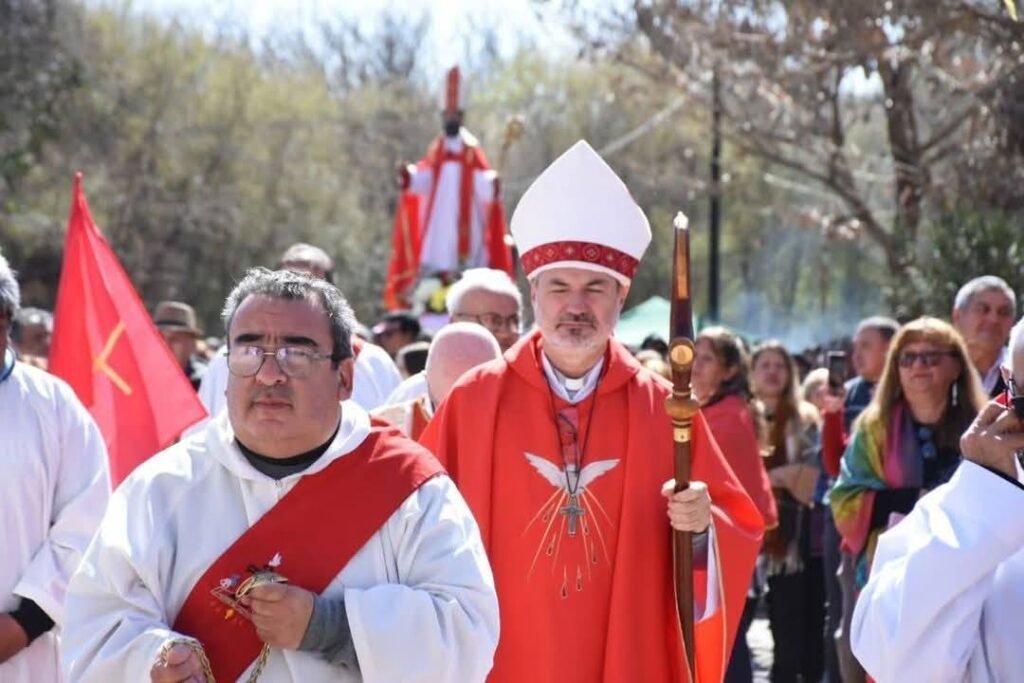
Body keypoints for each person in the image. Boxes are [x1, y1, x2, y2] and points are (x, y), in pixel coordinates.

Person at [421, 140, 763, 683]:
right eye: (559, 286)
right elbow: (418, 533)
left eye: (595, 288)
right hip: (503, 658)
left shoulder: (667, 409)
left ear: (620, 298)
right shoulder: (476, 402)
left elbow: (734, 528)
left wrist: (703, 528)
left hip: (628, 656)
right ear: (534, 293)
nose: (575, 305)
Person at [62, 268, 499, 682]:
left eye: (297, 353)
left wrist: (328, 627)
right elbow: (95, 625)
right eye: (250, 351)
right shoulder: (162, 488)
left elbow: (468, 632)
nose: (269, 375)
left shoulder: (409, 489)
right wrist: (153, 662)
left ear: (344, 377)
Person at [848, 316, 1024, 681]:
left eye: (930, 357)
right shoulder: (984, 502)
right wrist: (981, 500)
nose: (919, 368)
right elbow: (894, 654)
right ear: (1009, 393)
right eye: (909, 358)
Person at [0, 250, 110, 682]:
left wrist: (23, 624)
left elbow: (88, 526)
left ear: (4, 321)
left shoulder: (53, 406)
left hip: (24, 657)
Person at [196, 243, 402, 417]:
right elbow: (202, 433)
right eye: (286, 283)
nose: (269, 377)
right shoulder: (226, 361)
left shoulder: (374, 364)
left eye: (307, 286)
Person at [383, 66, 513, 310]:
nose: (451, 119)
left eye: (455, 114)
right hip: (437, 227)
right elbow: (423, 178)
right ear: (443, 117)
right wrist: (408, 176)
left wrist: (492, 185)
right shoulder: (437, 151)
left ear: (461, 117)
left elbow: (483, 186)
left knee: (467, 262)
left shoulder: (471, 151)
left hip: (468, 229)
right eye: (447, 115)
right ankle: (433, 295)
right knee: (436, 258)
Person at [691, 326, 777, 683]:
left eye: (706, 359)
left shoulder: (728, 418)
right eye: (693, 355)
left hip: (724, 552)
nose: (694, 364)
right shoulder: (715, 410)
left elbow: (729, 498)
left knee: (726, 643)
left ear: (728, 371)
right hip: (711, 547)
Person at [818, 315, 898, 683]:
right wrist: (832, 417)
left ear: (890, 348)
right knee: (845, 613)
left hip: (891, 524)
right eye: (855, 345)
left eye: (866, 345)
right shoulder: (850, 392)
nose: (855, 353)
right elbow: (835, 463)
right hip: (850, 521)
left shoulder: (902, 396)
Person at [750, 340, 824, 683]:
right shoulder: (740, 415)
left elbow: (810, 479)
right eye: (764, 365)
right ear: (752, 372)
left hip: (792, 538)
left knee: (792, 626)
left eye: (779, 365)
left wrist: (766, 477)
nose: (772, 372)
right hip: (748, 534)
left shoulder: (805, 418)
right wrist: (781, 476)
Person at [384, 267, 522, 406]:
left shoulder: (533, 385)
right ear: (455, 322)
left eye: (514, 320)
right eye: (492, 320)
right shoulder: (414, 397)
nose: (506, 332)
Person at [374, 322, 501, 440]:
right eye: (446, 406)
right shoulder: (388, 431)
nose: (463, 417)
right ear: (427, 381)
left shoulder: (515, 421)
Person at [951, 275, 1016, 398]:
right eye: (982, 310)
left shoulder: (1019, 373)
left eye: (1004, 312)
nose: (993, 319)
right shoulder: (936, 369)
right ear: (958, 317)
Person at [153, 301, 208, 391]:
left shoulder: (205, 384)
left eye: (175, 339)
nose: (166, 345)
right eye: (160, 338)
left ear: (192, 345)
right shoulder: (138, 379)